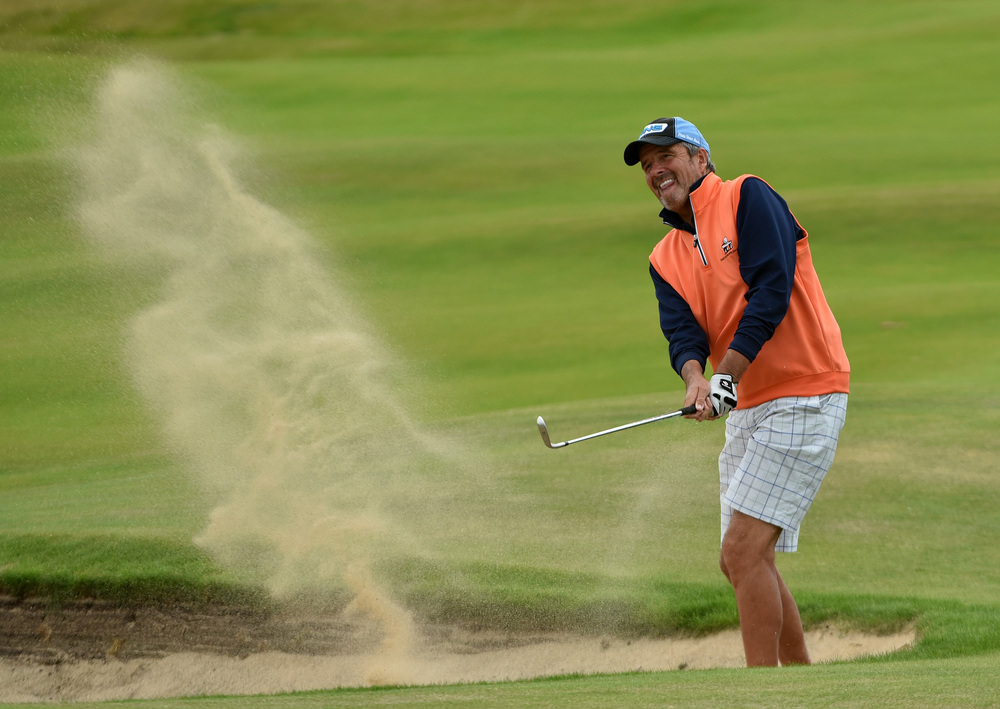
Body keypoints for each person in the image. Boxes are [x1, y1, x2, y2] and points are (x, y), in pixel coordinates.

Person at [623, 117, 850, 667]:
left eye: (667, 156)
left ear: (701, 158)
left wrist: (726, 375)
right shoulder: (664, 256)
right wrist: (697, 379)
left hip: (805, 389)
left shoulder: (748, 194)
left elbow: (770, 290)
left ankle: (760, 692)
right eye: (647, 165)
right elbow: (683, 333)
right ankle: (796, 686)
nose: (656, 170)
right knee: (743, 560)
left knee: (743, 550)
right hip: (750, 403)